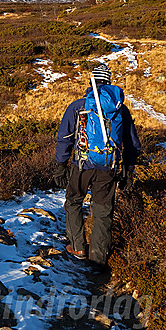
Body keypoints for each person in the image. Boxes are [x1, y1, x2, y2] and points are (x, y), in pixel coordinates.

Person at [52, 63, 141, 271]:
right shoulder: (120, 110)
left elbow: (64, 138)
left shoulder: (79, 106)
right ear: (108, 82)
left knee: (73, 201)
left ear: (91, 83)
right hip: (108, 168)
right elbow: (132, 143)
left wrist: (60, 165)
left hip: (81, 166)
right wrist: (128, 170)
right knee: (103, 212)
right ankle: (98, 258)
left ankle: (78, 247)